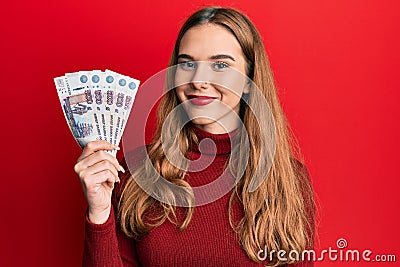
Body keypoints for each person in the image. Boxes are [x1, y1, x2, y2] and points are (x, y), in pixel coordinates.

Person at [74, 6, 315, 267]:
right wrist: (99, 213)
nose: (199, 80)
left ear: (248, 79)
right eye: (187, 63)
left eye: (220, 65)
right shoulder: (136, 172)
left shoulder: (288, 180)